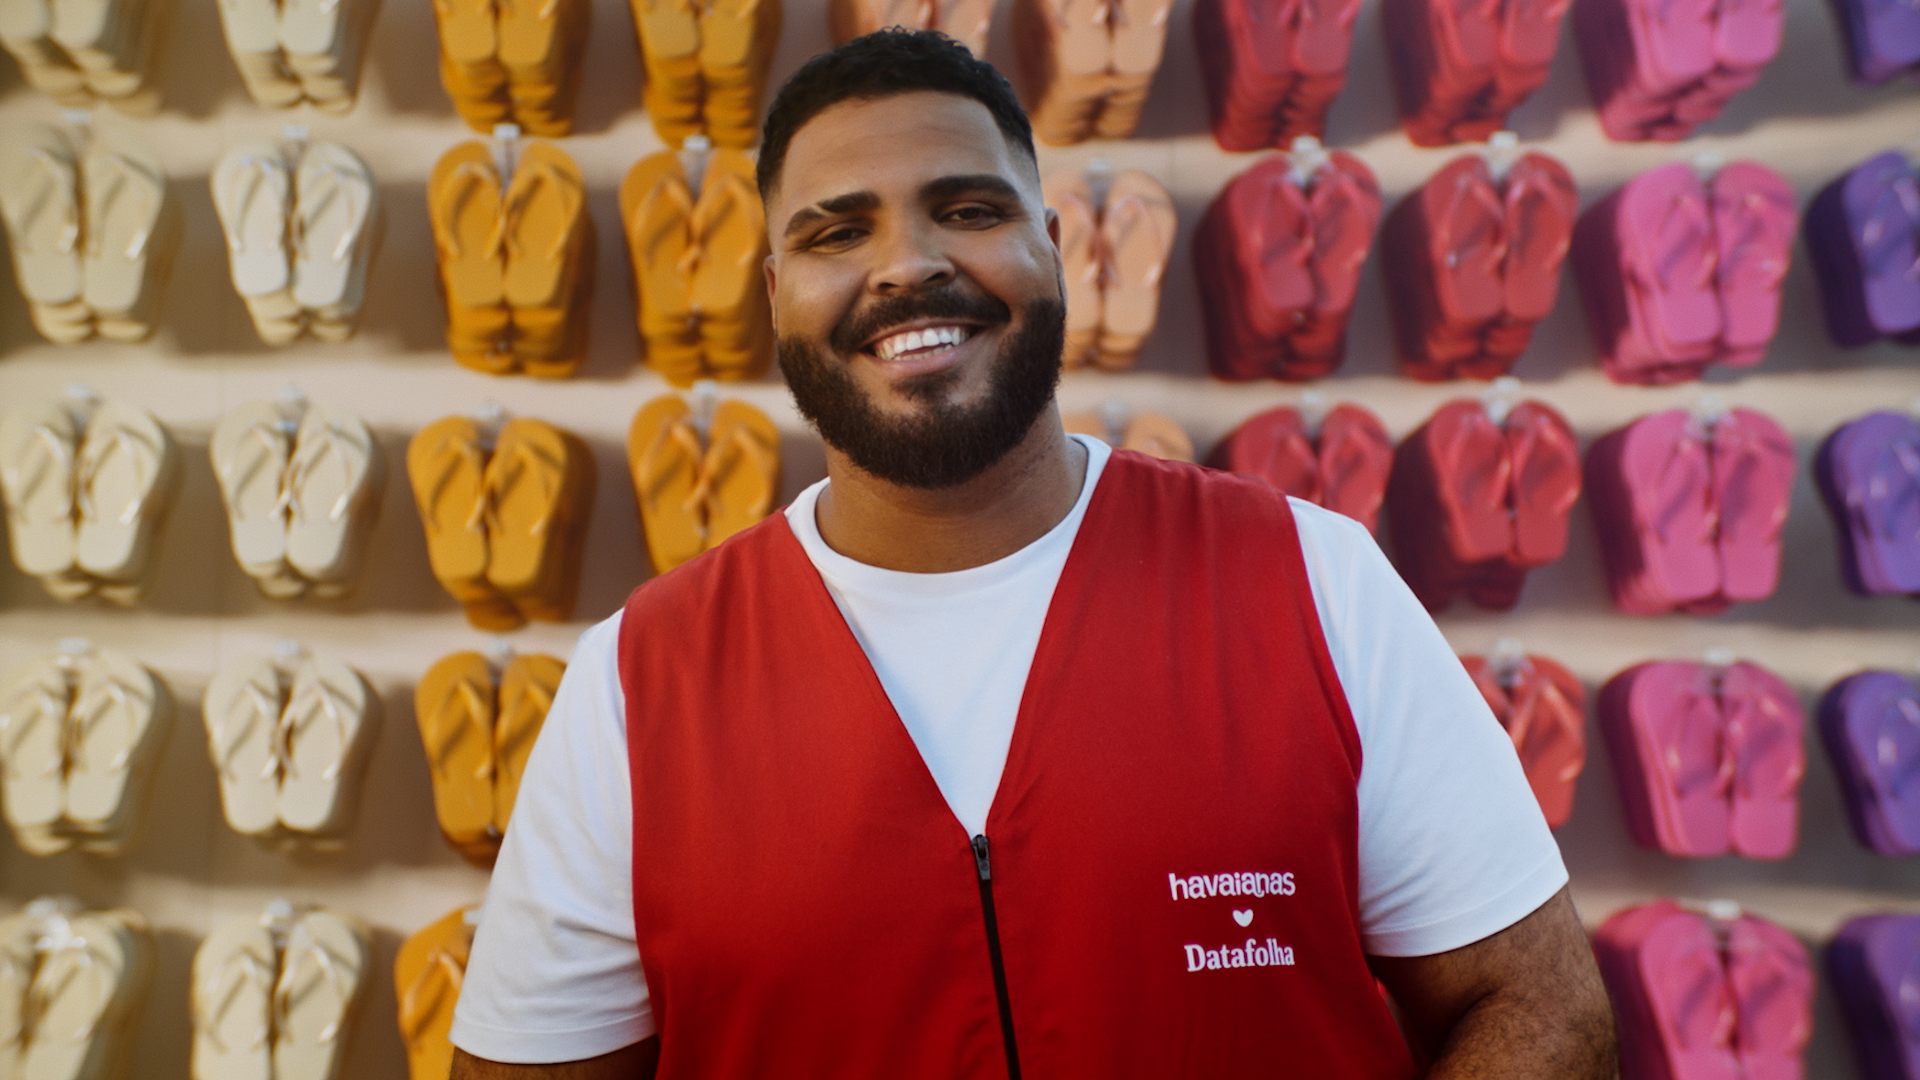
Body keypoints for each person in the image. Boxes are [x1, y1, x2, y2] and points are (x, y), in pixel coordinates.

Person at [448, 29, 1615, 1080]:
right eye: (837, 230)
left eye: (967, 209)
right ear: (773, 295)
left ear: (1052, 248)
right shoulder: (637, 684)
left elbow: (1542, 1008)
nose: (906, 265)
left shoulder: (1312, 582)